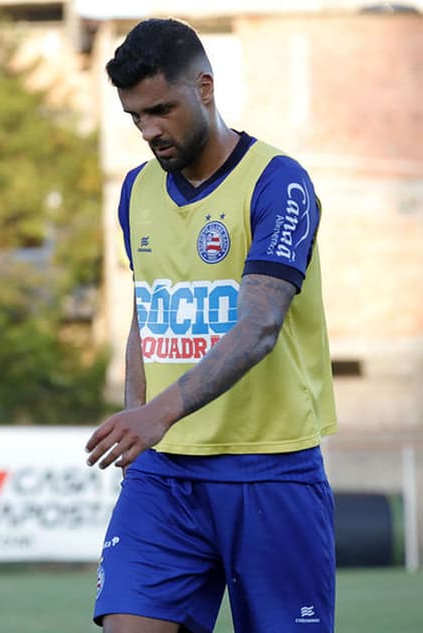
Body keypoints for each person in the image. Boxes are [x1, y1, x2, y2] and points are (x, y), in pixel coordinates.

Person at [85, 18, 337, 633]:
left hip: (270, 469)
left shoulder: (279, 182)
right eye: (136, 117)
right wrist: (137, 428)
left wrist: (157, 412)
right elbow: (148, 312)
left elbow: (260, 325)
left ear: (205, 87)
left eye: (161, 110)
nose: (149, 130)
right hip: (165, 473)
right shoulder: (136, 190)